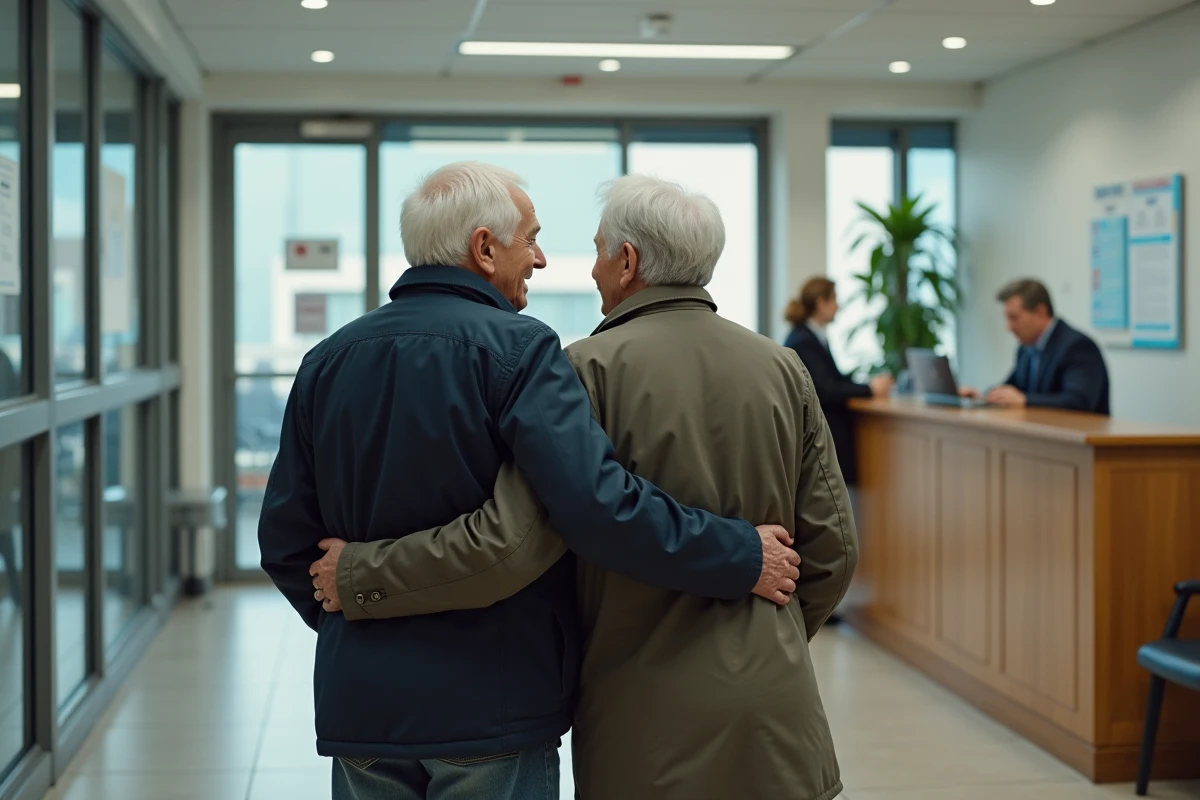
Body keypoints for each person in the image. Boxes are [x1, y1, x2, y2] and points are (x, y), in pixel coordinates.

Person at [257, 162, 800, 800]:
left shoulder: (327, 359)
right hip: (492, 706)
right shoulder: (520, 350)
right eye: (531, 239)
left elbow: (285, 542)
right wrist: (740, 553)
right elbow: (595, 505)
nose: (540, 259)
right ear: (484, 248)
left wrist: (358, 623)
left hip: (362, 708)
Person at [783, 277, 892, 487]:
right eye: (833, 299)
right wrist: (870, 389)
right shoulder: (804, 340)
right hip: (820, 432)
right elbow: (826, 389)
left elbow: (834, 378)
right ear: (820, 303)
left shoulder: (812, 336)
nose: (838, 306)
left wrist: (868, 385)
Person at [959, 278, 1110, 414]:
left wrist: (1025, 400)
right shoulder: (1026, 348)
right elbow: (1011, 388)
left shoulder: (1077, 346)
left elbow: (1079, 402)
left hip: (1078, 434)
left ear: (1040, 312)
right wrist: (982, 397)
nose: (1009, 327)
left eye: (1014, 318)